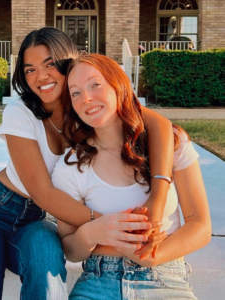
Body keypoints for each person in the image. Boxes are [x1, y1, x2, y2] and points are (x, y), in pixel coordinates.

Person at [0, 28, 174, 300]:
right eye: (29, 70)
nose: (41, 77)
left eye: (50, 65)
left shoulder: (87, 105)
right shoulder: (20, 112)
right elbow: (42, 193)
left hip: (39, 220)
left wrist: (158, 198)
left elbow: (159, 124)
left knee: (44, 263)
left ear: (68, 63)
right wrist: (113, 227)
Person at [52, 53, 211, 300]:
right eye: (75, 92)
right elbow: (70, 248)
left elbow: (200, 225)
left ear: (118, 85)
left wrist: (152, 256)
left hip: (164, 276)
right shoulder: (71, 165)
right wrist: (94, 232)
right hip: (98, 280)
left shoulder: (173, 143)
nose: (87, 98)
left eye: (95, 84)